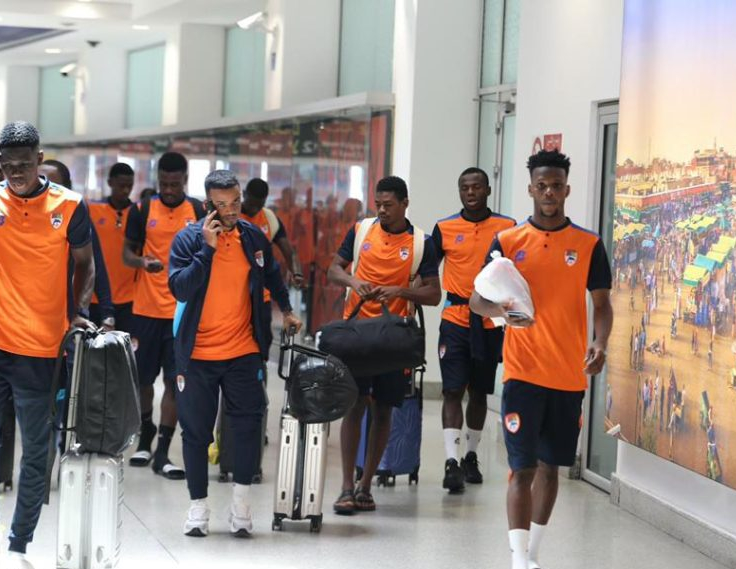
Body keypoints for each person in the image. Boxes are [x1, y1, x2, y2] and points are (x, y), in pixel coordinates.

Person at [469, 150, 612, 569]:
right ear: (530, 189)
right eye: (542, 185)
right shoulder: (507, 241)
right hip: (523, 374)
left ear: (567, 189)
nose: (549, 193)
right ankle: (516, 568)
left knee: (552, 467)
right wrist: (502, 314)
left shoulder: (588, 245)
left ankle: (534, 557)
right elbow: (477, 301)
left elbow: (603, 304)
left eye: (557, 185)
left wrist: (600, 343)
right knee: (521, 469)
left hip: (569, 375)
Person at [0, 121, 95, 569]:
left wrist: (75, 312)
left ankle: (19, 547)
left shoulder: (70, 205)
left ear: (40, 159)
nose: (16, 172)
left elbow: (85, 264)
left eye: (24, 163)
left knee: (38, 450)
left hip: (41, 348)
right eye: (8, 164)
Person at [168, 169, 301, 537]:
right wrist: (207, 251)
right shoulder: (188, 239)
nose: (231, 210)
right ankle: (198, 508)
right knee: (196, 432)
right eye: (222, 204)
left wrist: (286, 309)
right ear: (208, 203)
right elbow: (179, 288)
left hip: (243, 350)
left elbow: (272, 274)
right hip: (196, 354)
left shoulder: (253, 236)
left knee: (247, 428)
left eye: (236, 202)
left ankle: (241, 506)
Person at [326, 176, 441, 515]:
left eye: (389, 205)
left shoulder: (422, 243)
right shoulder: (361, 231)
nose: (382, 210)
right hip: (357, 334)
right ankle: (346, 485)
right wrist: (353, 281)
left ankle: (366, 487)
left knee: (383, 409)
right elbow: (334, 269)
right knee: (354, 405)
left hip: (393, 338)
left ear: (405, 203)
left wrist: (401, 291)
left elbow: (434, 294)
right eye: (378, 203)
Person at [431, 168, 516, 493]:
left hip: (489, 320)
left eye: (476, 187)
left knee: (479, 391)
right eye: (464, 187)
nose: (470, 192)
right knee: (453, 390)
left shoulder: (507, 228)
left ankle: (470, 456)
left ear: (488, 190)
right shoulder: (445, 227)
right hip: (455, 317)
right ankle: (451, 462)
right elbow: (427, 270)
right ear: (459, 191)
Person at [123, 152, 206, 478]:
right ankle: (144, 435)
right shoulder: (142, 210)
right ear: (158, 181)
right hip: (144, 311)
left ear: (185, 181)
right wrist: (142, 262)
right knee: (143, 382)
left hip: (181, 313)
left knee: (175, 382)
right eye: (164, 184)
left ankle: (163, 452)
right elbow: (126, 254)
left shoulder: (198, 211)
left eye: (175, 184)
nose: (169, 189)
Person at [38, 159, 114, 328]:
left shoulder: (76, 217)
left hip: (69, 315)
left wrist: (107, 313)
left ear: (67, 187)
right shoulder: (25, 218)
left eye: (52, 185)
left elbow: (95, 264)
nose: (43, 189)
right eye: (39, 181)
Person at [86, 162, 138, 333]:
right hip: (95, 297)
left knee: (125, 351)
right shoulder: (92, 209)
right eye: (121, 185)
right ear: (110, 183)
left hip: (129, 297)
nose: (125, 190)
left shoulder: (138, 213)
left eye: (129, 186)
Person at [241, 178, 304, 289]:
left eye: (259, 206)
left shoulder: (269, 219)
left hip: (259, 287)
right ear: (244, 194)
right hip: (234, 285)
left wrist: (296, 273)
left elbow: (289, 252)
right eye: (251, 204)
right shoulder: (230, 216)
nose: (254, 210)